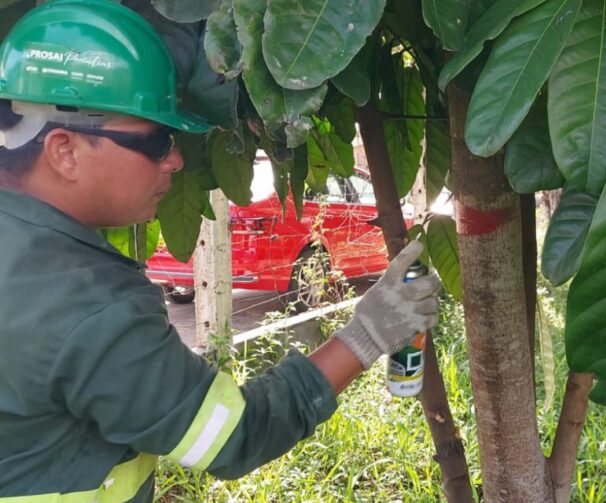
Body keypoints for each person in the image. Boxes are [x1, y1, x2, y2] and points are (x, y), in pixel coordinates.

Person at [0, 1, 441, 501]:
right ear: (64, 150)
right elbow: (235, 436)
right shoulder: (86, 303)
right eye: (155, 140)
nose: (176, 160)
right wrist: (366, 336)